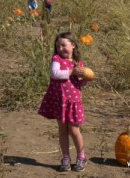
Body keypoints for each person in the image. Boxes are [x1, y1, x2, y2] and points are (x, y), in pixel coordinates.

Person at [38, 32, 89, 172]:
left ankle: (81, 156)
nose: (60, 48)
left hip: (73, 102)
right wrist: (72, 72)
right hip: (59, 102)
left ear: (73, 45)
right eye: (58, 46)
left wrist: (85, 78)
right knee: (62, 130)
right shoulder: (57, 60)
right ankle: (65, 157)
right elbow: (55, 74)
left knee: (74, 130)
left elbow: (80, 84)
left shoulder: (78, 63)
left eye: (63, 45)